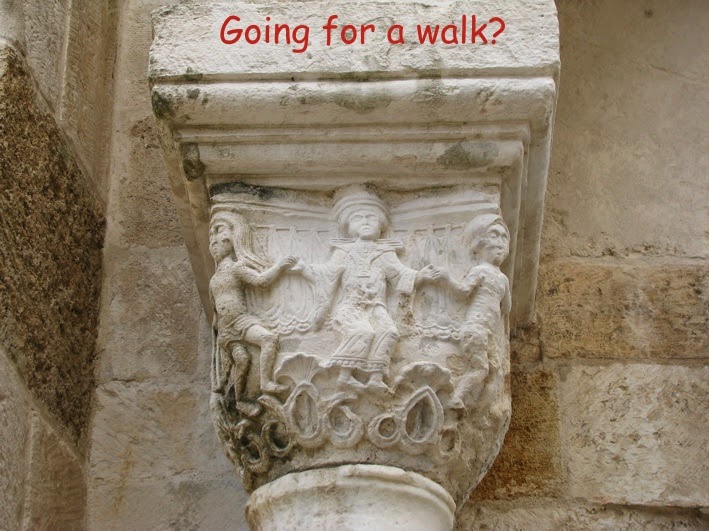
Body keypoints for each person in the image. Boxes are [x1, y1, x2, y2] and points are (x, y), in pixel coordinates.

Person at [302, 186, 443, 390]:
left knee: (389, 332)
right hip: (352, 305)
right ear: (349, 226)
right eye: (358, 218)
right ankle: (345, 375)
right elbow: (328, 273)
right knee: (362, 331)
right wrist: (305, 270)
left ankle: (376, 377)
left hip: (377, 305)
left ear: (381, 226)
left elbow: (398, 274)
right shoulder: (343, 251)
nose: (366, 222)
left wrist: (420, 276)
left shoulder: (385, 252)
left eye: (371, 218)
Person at [208, 210, 299, 405]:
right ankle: (240, 401)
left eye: (220, 240)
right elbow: (215, 310)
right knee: (242, 360)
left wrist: (279, 266)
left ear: (233, 241)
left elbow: (261, 281)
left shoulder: (236, 268)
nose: (214, 245)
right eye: (212, 242)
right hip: (225, 329)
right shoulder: (213, 279)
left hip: (241, 321)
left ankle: (266, 382)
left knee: (268, 338)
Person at [442, 214, 511, 406]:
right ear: (479, 244)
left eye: (503, 238)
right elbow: (463, 292)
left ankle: (482, 407)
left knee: (494, 373)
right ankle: (456, 398)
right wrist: (446, 278)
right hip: (476, 328)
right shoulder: (480, 271)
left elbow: (507, 307)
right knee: (481, 369)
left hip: (490, 332)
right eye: (493, 236)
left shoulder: (503, 279)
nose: (500, 243)